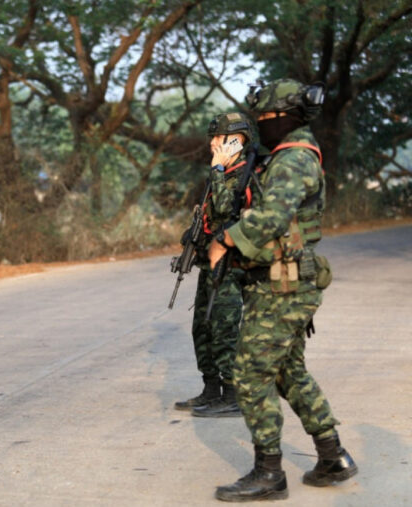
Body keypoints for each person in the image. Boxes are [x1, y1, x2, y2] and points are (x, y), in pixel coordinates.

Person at [208, 79, 357, 502]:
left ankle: (269, 473)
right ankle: (333, 457)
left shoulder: (293, 160)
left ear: (283, 118)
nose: (260, 126)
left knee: (251, 373)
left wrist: (226, 241)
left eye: (264, 119)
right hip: (283, 280)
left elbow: (271, 218)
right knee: (288, 371)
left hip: (284, 285)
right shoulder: (284, 157)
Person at [174, 113, 253, 418]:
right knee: (202, 327)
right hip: (210, 262)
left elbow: (225, 208)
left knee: (223, 328)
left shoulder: (243, 173)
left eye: (217, 138)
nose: (211, 143)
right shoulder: (221, 172)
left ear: (236, 140)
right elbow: (210, 215)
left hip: (230, 265)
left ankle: (232, 394)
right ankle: (210, 389)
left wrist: (218, 170)